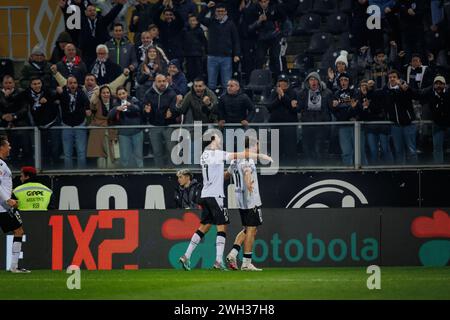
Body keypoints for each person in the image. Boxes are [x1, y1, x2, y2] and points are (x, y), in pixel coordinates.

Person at [179, 133, 272, 271]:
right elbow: (240, 157)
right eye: (217, 138)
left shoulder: (204, 155)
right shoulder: (216, 154)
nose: (220, 141)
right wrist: (261, 157)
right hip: (217, 196)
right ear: (211, 141)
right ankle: (219, 261)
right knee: (222, 228)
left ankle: (186, 256)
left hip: (205, 194)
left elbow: (226, 173)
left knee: (204, 227)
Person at [225, 137, 263, 271]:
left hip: (240, 200)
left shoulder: (236, 159)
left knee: (248, 229)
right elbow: (247, 172)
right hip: (251, 200)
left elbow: (227, 175)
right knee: (251, 230)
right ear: (252, 146)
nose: (258, 147)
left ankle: (233, 253)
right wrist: (247, 183)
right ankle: (246, 263)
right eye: (257, 145)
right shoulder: (249, 159)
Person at [0, 136, 31, 273]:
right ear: (1, 147)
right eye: (8, 145)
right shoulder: (0, 164)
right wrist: (8, 200)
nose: (10, 147)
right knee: (19, 231)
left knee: (19, 231)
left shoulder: (3, 164)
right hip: (3, 207)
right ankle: (14, 266)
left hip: (5, 206)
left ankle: (14, 266)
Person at [199, 2, 241, 92]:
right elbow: (199, 18)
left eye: (222, 11)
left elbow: (236, 40)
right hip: (212, 57)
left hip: (226, 57)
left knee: (226, 84)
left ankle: (225, 103)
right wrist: (206, 8)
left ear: (226, 12)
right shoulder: (211, 21)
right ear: (215, 12)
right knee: (211, 84)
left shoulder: (231, 24)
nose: (220, 13)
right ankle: (213, 104)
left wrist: (236, 54)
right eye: (218, 11)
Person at [108, 86, 144, 168]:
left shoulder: (133, 100)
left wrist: (130, 105)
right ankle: (126, 174)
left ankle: (141, 173)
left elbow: (139, 109)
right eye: (119, 94)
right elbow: (109, 115)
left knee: (138, 155)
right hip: (123, 134)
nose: (122, 95)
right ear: (117, 95)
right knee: (124, 156)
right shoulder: (115, 103)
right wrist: (117, 109)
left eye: (123, 93)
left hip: (136, 132)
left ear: (127, 93)